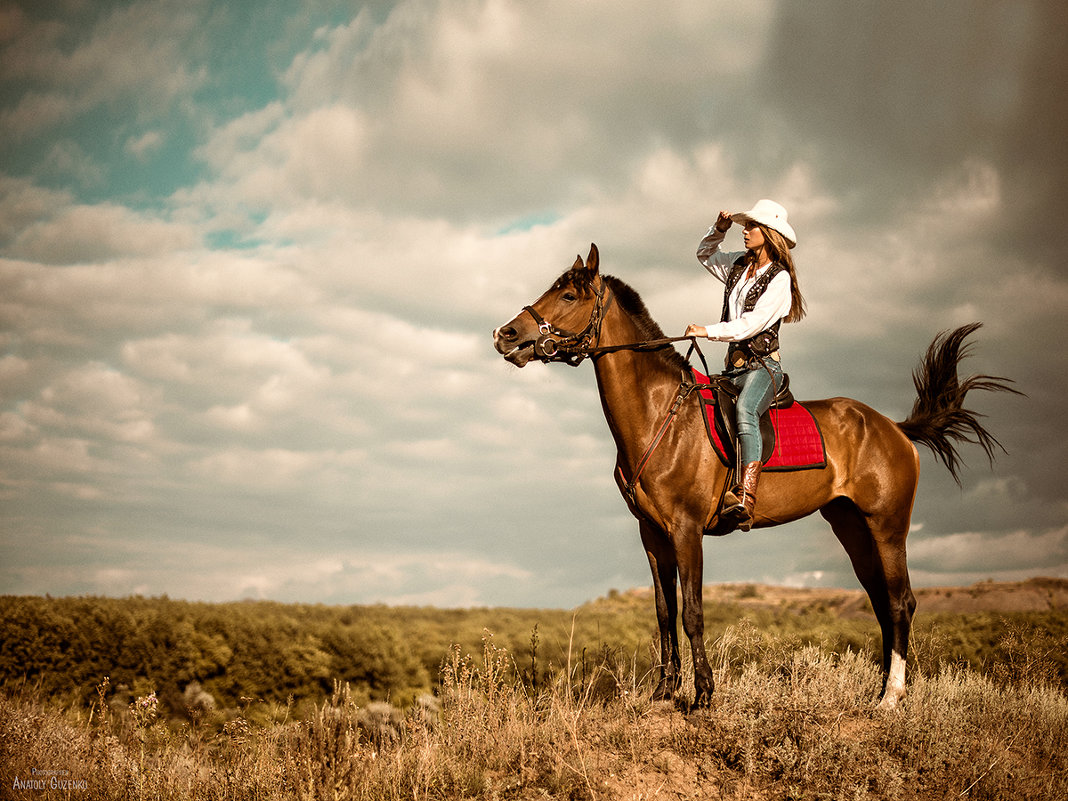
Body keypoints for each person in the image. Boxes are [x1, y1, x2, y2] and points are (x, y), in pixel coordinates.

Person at [684, 199, 806, 531]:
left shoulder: (779, 280)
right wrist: (718, 230)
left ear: (768, 233)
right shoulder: (738, 264)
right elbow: (704, 255)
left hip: (763, 368)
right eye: (743, 226)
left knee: (746, 411)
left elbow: (751, 325)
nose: (745, 231)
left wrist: (708, 331)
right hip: (733, 369)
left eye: (750, 227)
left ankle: (746, 496)